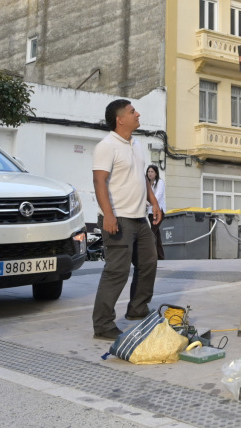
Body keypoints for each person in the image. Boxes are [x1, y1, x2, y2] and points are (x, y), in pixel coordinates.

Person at [91, 99, 162, 340]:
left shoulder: (136, 144)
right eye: (132, 112)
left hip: (139, 218)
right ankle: (102, 325)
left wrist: (153, 201)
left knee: (149, 263)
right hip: (118, 218)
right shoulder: (106, 146)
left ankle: (137, 309)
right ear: (120, 119)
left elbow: (142, 177)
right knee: (117, 271)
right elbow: (99, 181)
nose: (137, 114)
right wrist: (108, 215)